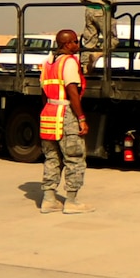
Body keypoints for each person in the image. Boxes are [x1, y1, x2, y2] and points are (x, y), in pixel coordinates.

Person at [38, 28, 91, 213]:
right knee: (74, 158)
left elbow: (43, 93)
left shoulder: (47, 63)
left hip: (48, 113)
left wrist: (47, 110)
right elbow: (73, 93)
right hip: (66, 113)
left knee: (51, 158)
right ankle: (72, 201)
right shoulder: (68, 63)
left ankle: (49, 199)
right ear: (66, 44)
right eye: (75, 42)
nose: (77, 45)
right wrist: (81, 119)